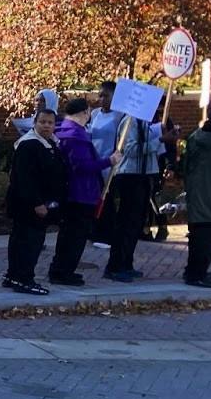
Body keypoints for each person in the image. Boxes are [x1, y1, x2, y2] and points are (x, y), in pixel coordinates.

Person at [48, 97, 117, 286]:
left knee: (67, 234)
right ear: (84, 112)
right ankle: (64, 271)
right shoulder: (76, 136)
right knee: (76, 236)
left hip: (68, 191)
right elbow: (82, 166)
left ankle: (60, 268)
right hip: (81, 192)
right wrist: (108, 161)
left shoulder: (61, 131)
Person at [4, 107, 65, 295]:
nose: (46, 126)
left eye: (50, 123)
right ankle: (23, 279)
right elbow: (24, 178)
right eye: (42, 122)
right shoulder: (29, 145)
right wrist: (36, 203)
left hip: (41, 203)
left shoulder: (50, 144)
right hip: (29, 206)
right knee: (28, 242)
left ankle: (14, 276)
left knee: (24, 240)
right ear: (35, 123)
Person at [102, 105, 162, 283]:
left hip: (143, 175)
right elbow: (130, 150)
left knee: (136, 223)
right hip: (129, 176)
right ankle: (115, 266)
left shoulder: (144, 122)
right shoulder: (130, 121)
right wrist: (159, 141)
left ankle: (127, 263)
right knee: (125, 223)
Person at [183, 101, 211, 288]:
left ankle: (192, 271)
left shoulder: (195, 136)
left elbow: (185, 164)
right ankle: (198, 274)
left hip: (196, 191)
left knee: (197, 234)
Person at [88, 81, 120, 248]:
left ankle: (107, 235)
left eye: (105, 96)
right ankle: (94, 232)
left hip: (110, 163)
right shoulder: (95, 114)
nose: (101, 99)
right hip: (95, 161)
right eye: (100, 95)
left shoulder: (119, 116)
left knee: (107, 200)